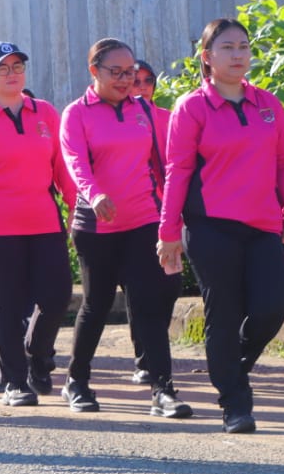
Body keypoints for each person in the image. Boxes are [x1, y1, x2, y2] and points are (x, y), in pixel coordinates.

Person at [157, 20, 284, 434]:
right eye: (227, 47)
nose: (238, 55)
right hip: (210, 227)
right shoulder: (192, 108)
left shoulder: (268, 105)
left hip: (262, 227)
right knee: (224, 312)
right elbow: (178, 170)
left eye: (244, 46)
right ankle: (235, 404)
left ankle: (232, 364)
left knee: (272, 308)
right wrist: (168, 232)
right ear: (207, 57)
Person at [60, 38, 191, 418]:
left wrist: (173, 218)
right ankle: (77, 381)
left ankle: (162, 389)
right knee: (97, 305)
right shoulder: (76, 113)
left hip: (143, 221)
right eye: (114, 72)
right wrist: (94, 195)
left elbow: (166, 165)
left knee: (148, 304)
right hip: (96, 226)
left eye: (130, 72)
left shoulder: (143, 112)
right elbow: (75, 161)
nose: (124, 80)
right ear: (94, 72)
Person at [0, 41, 77, 406]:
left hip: (43, 219)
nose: (12, 74)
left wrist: (75, 209)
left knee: (57, 296)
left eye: (17, 66)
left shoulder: (45, 113)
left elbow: (61, 167)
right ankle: (14, 382)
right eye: (2, 68)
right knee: (7, 302)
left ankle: (38, 353)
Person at [127, 58, 173, 384]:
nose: (142, 88)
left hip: (168, 213)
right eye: (136, 82)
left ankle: (154, 348)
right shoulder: (122, 120)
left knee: (169, 285)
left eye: (147, 81)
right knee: (139, 289)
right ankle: (144, 358)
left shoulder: (170, 119)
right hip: (138, 214)